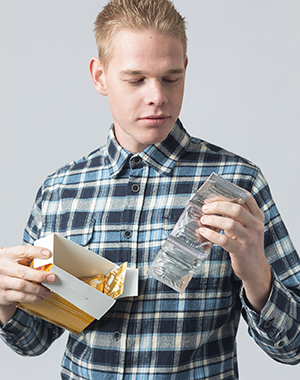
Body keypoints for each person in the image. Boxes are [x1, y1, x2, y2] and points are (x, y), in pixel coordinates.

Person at [0, 0, 300, 378]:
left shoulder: (238, 184)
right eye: (136, 79)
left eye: (171, 78)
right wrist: (5, 300)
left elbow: (293, 348)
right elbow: (32, 340)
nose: (157, 96)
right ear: (99, 76)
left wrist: (257, 273)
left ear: (186, 70)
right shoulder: (60, 190)